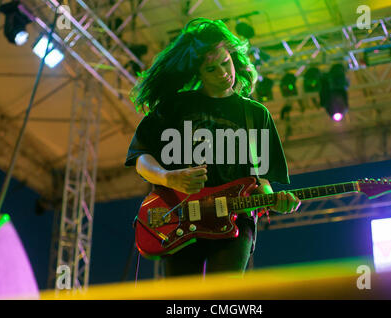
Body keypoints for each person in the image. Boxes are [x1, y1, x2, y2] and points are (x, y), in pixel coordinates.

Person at [125, 18, 300, 278]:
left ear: (233, 57)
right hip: (181, 218)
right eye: (211, 70)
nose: (223, 73)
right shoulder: (175, 108)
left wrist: (275, 200)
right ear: (198, 73)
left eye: (225, 63)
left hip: (236, 222)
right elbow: (140, 157)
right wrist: (169, 177)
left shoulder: (255, 114)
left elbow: (260, 179)